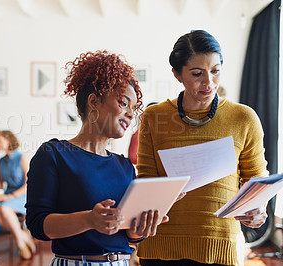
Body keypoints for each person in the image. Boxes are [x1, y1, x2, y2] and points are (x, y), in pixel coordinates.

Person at [26, 50, 169, 266]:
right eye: (123, 103)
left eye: (133, 108)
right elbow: (38, 225)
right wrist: (89, 220)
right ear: (93, 101)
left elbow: (127, 235)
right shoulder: (53, 154)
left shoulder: (125, 167)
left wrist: (139, 230)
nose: (131, 114)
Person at [136, 30, 267, 266]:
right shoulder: (154, 117)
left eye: (215, 71)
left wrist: (258, 211)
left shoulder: (244, 118)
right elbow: (146, 179)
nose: (209, 82)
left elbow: (256, 182)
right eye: (197, 73)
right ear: (177, 74)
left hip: (219, 247)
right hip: (161, 246)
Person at [0, 130, 36, 260]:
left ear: (8, 140)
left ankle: (20, 242)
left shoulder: (22, 158)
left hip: (23, 194)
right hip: (8, 194)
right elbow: (0, 183)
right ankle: (22, 235)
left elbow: (29, 183)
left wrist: (10, 197)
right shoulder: (1, 161)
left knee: (4, 208)